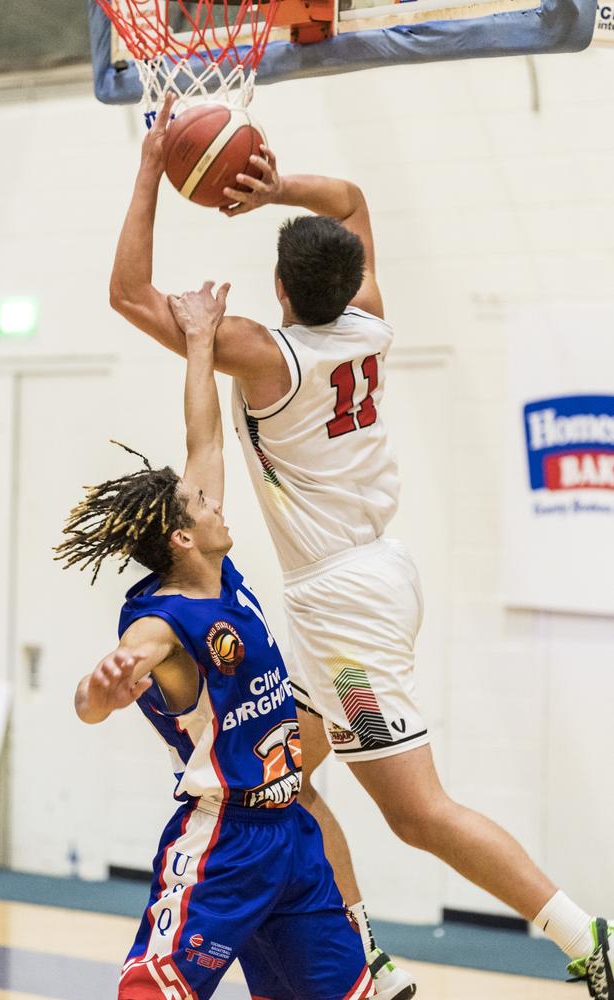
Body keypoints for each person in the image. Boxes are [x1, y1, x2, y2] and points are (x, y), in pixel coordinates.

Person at [108, 94, 613, 1000]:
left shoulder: (271, 357)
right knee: (272, 781)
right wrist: (274, 189)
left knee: (417, 813)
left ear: (284, 292)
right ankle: (364, 955)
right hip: (350, 583)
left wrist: (152, 167)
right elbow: (352, 202)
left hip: (345, 603)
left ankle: (588, 938)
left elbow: (128, 295)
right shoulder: (369, 316)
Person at [57, 281, 375, 1000]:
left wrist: (201, 341)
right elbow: (97, 688)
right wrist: (98, 694)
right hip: (224, 843)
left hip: (291, 834)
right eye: (203, 503)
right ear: (181, 536)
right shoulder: (163, 622)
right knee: (151, 992)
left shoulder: (218, 571)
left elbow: (204, 437)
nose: (215, 500)